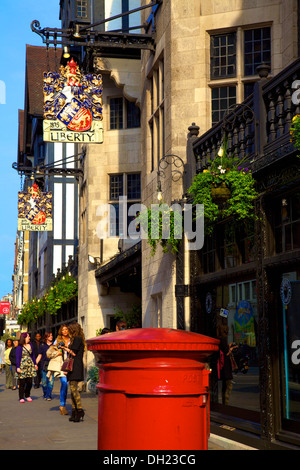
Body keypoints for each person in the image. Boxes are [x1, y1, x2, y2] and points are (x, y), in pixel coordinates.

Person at [62, 322, 86, 422]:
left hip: (75, 366)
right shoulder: (76, 339)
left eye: (70, 329)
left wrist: (64, 348)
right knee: (72, 390)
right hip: (74, 366)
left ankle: (79, 410)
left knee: (73, 389)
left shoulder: (77, 339)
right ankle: (74, 411)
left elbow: (74, 353)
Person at [15, 332, 38, 403]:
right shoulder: (19, 347)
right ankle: (21, 397)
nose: (29, 338)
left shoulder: (30, 345)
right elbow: (18, 358)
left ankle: (27, 395)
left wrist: (35, 364)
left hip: (30, 365)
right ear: (24, 338)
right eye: (28, 336)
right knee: (22, 382)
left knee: (29, 381)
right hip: (22, 365)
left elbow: (33, 355)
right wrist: (18, 367)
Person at [53, 324, 71, 415]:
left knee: (67, 385)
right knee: (64, 383)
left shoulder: (71, 339)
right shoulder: (58, 340)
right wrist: (58, 352)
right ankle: (62, 405)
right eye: (63, 330)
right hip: (61, 364)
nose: (65, 331)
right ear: (61, 331)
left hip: (70, 364)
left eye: (66, 329)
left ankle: (63, 404)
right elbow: (52, 351)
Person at [36, 332, 54, 401]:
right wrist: (35, 364)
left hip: (52, 365)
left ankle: (48, 395)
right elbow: (39, 355)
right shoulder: (42, 345)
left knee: (51, 382)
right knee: (44, 382)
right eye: (49, 336)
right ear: (46, 337)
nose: (51, 337)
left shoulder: (54, 345)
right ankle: (45, 394)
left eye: (51, 335)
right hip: (44, 365)